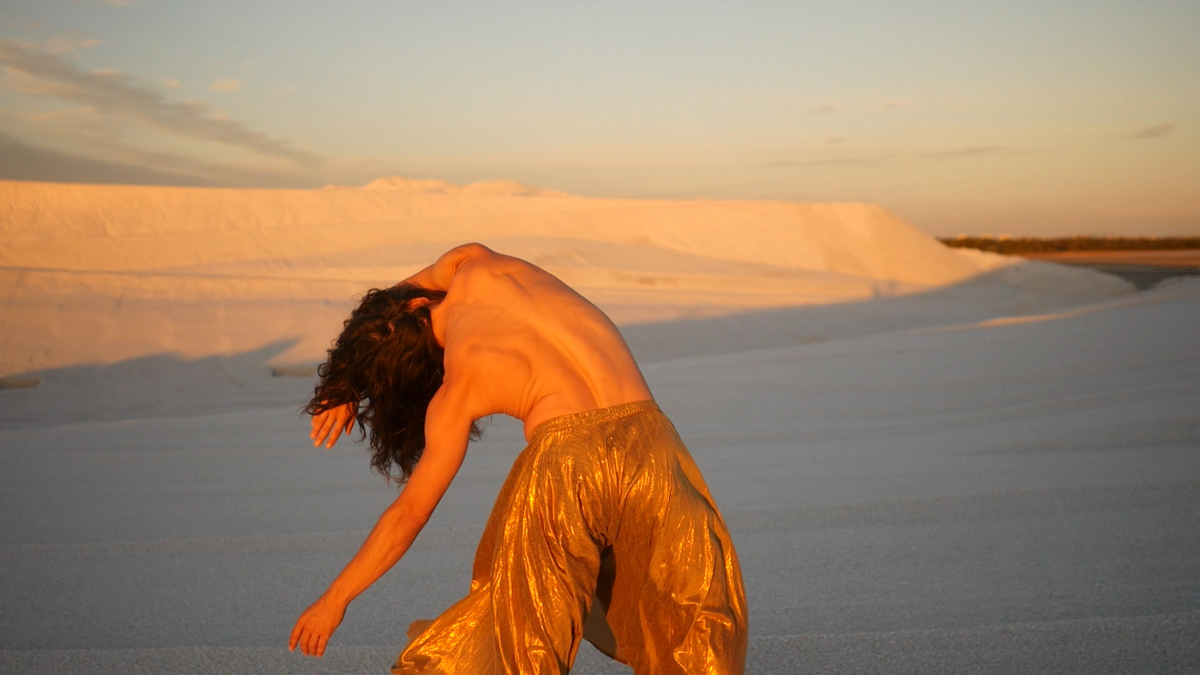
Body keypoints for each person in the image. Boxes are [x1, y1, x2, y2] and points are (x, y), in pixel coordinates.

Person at [289, 243, 747, 673]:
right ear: (417, 302)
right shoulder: (472, 263)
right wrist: (344, 378)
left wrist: (335, 599)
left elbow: (409, 514)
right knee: (692, 616)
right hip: (652, 444)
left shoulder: (457, 390)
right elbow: (389, 302)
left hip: (564, 463)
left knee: (525, 633)